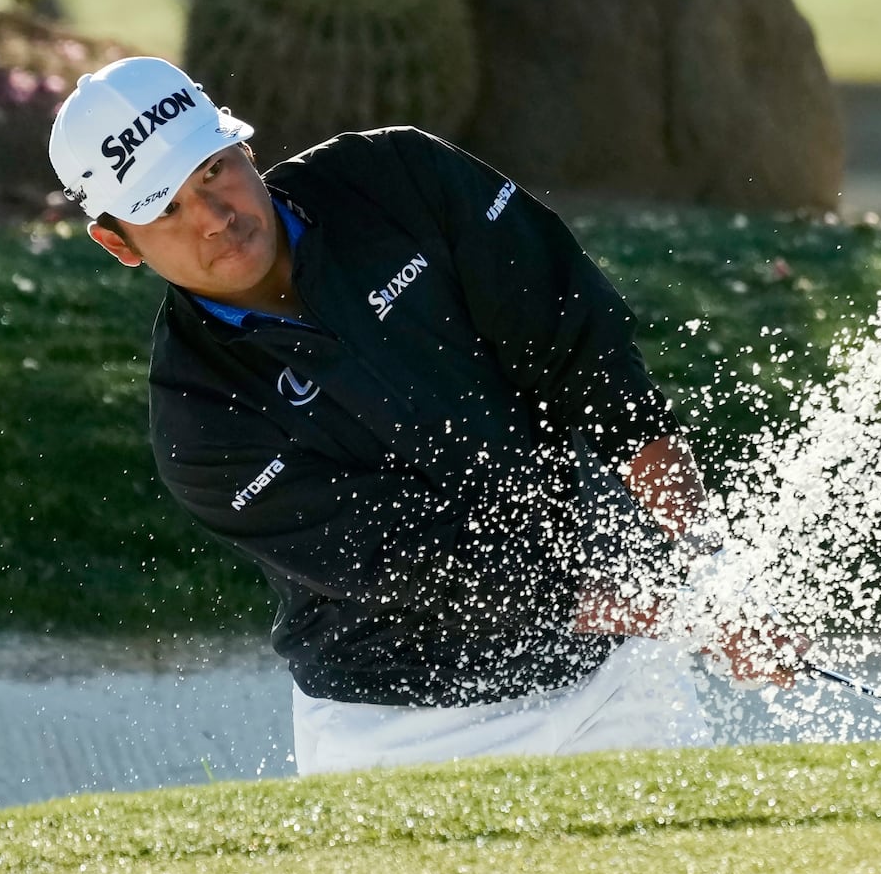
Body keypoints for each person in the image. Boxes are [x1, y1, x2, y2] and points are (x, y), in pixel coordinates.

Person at [47, 56, 803, 775]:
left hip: (609, 676)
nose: (213, 216)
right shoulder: (201, 422)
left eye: (213, 170)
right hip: (399, 730)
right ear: (118, 243)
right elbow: (433, 565)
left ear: (242, 146)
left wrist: (712, 567)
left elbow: (588, 361)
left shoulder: (397, 180)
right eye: (166, 208)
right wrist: (683, 612)